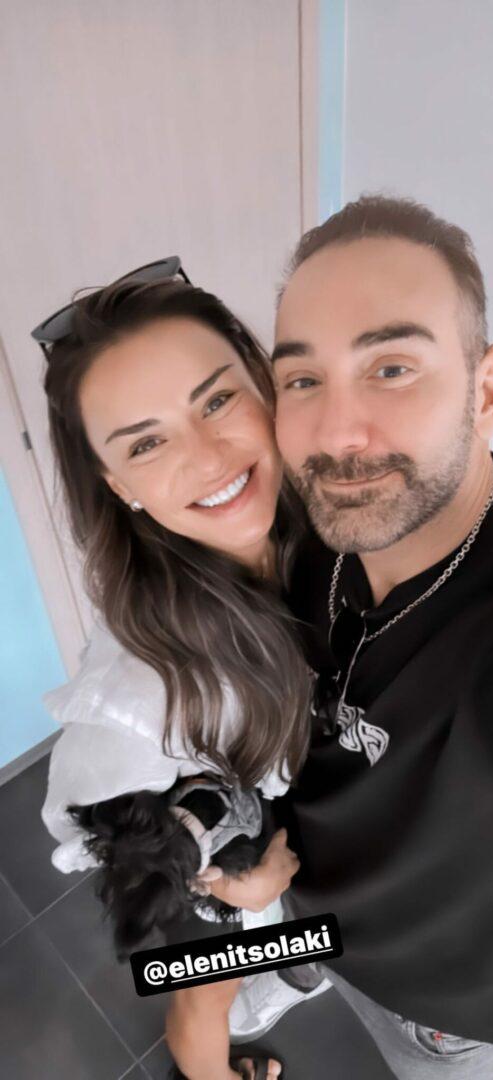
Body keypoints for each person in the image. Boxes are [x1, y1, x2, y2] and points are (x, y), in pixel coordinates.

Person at [267, 195, 493, 1078]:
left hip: (436, 1007)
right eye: (302, 380)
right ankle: (290, 974)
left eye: (391, 368)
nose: (337, 434)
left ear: (485, 389)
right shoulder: (313, 525)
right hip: (304, 905)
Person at [35, 263, 328, 1080]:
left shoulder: (318, 521)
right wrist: (222, 887)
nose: (207, 457)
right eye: (147, 442)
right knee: (205, 995)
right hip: (204, 862)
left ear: (263, 383)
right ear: (118, 485)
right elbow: (118, 849)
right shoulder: (144, 686)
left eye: (217, 400)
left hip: (275, 832)